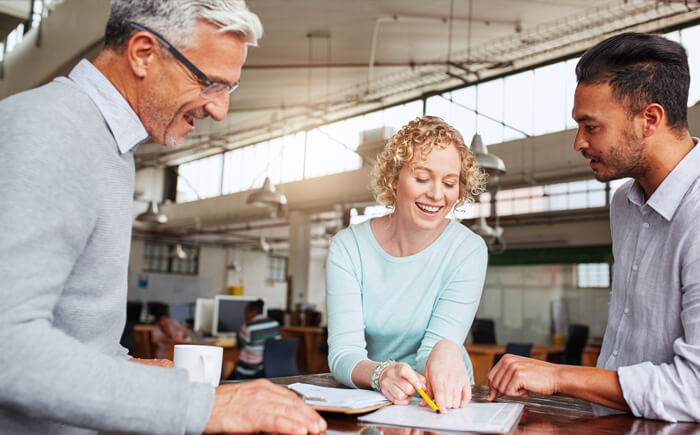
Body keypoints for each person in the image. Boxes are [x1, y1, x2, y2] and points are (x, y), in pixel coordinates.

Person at [0, 1, 326, 434]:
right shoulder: (53, 129)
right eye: (210, 82)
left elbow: (72, 330)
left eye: (230, 89)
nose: (220, 109)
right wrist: (199, 405)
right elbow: (8, 345)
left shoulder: (108, 146)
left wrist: (131, 369)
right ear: (143, 53)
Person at [487, 32, 700, 422]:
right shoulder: (624, 203)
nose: (578, 143)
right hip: (608, 423)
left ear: (649, 119)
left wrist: (557, 376)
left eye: (591, 126)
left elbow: (695, 391)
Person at [326, 115, 488, 412]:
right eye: (422, 178)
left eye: (450, 183)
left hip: (445, 397)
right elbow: (343, 353)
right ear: (394, 178)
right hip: (377, 395)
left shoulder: (468, 249)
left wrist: (446, 349)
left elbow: (434, 350)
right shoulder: (349, 248)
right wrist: (380, 373)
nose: (437, 194)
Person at [231, 299, 282, 379]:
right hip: (269, 367)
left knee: (228, 372)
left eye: (246, 312)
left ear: (254, 312)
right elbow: (277, 342)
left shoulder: (248, 327)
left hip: (249, 370)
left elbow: (240, 345)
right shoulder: (274, 323)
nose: (244, 315)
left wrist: (238, 335)